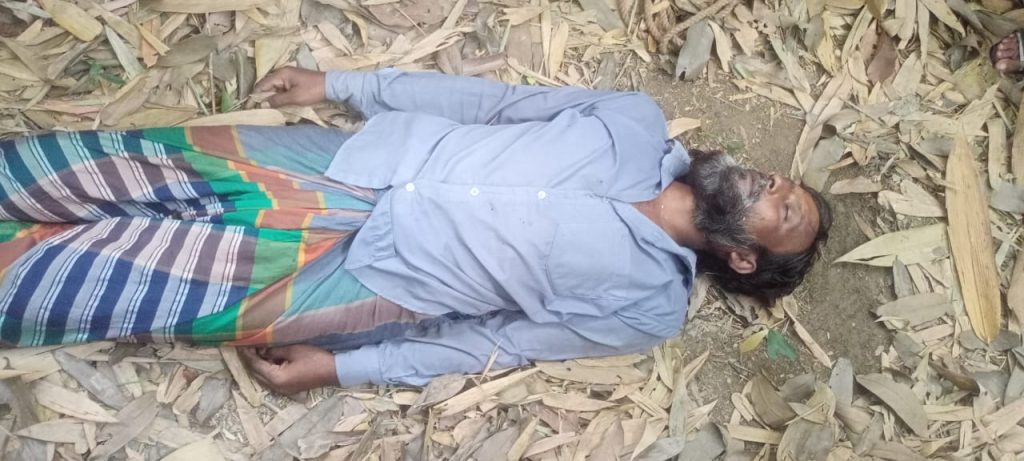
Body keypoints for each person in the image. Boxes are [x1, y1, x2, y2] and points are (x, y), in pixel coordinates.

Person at [0, 67, 830, 393]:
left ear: (743, 255)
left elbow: (500, 341)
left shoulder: (649, 306)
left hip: (367, 276)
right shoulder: (634, 121)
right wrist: (342, 83)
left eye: (784, 210)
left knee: (119, 281)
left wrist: (343, 367)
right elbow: (490, 103)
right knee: (124, 165)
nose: (774, 183)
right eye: (786, 182)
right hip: (345, 160)